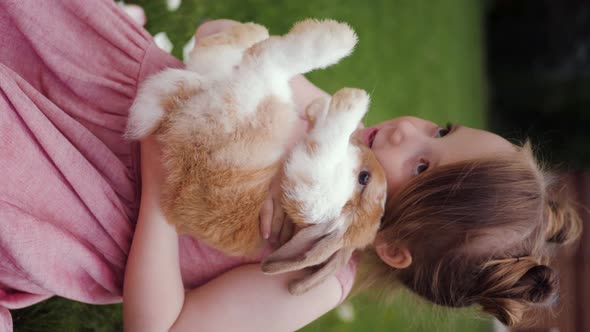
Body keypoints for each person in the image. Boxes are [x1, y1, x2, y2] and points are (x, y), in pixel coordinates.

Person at [0, 1, 580, 332]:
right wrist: (296, 112)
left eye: (422, 163)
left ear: (396, 248)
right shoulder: (331, 127)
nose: (407, 130)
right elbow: (215, 38)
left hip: (82, 192)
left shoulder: (316, 279)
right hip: (96, 72)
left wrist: (159, 188)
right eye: (443, 128)